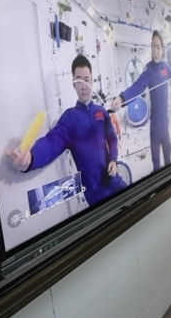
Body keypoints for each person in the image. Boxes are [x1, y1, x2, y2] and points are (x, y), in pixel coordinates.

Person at [8, 55, 126, 206]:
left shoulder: (101, 111)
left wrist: (113, 160)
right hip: (97, 198)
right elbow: (51, 143)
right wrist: (30, 158)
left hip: (117, 183)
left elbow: (112, 139)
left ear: (92, 81)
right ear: (73, 84)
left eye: (87, 79)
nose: (83, 85)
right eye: (79, 80)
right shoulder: (69, 118)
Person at [112, 30, 171, 171]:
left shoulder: (165, 67)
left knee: (168, 159)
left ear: (162, 49)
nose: (155, 51)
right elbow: (136, 87)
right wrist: (121, 97)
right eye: (153, 46)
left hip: (165, 123)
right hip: (155, 126)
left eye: (158, 47)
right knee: (156, 163)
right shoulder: (148, 70)